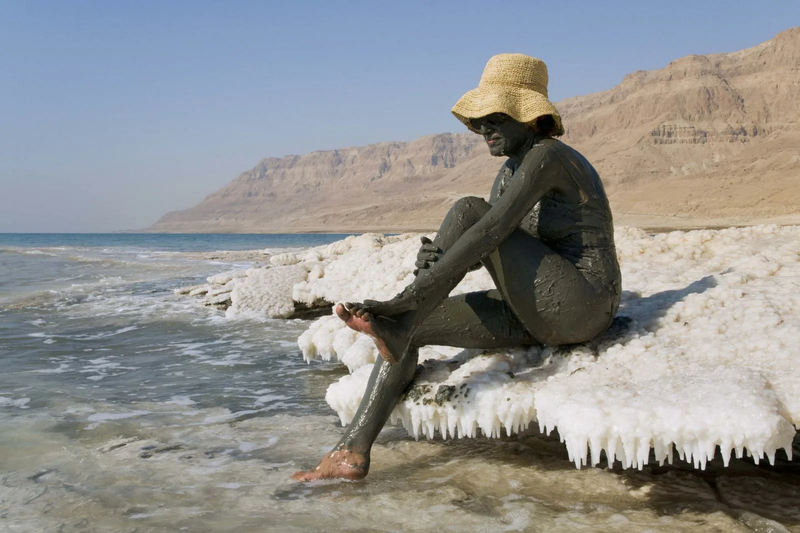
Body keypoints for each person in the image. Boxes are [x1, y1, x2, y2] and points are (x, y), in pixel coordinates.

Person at [292, 53, 621, 481]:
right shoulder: (509, 174)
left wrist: (409, 296)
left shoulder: (550, 157)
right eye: (479, 119)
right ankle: (350, 452)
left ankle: (404, 315)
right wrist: (434, 258)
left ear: (528, 117)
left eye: (494, 117)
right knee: (410, 331)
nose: (482, 129)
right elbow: (497, 250)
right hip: (537, 308)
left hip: (584, 305)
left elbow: (489, 231)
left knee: (466, 213)